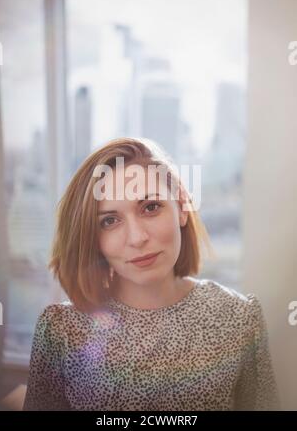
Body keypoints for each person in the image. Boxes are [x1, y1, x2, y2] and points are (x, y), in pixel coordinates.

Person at [23, 137, 280, 411]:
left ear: (181, 207)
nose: (137, 238)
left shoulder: (238, 318)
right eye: (109, 221)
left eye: (150, 208)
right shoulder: (61, 330)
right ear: (93, 237)